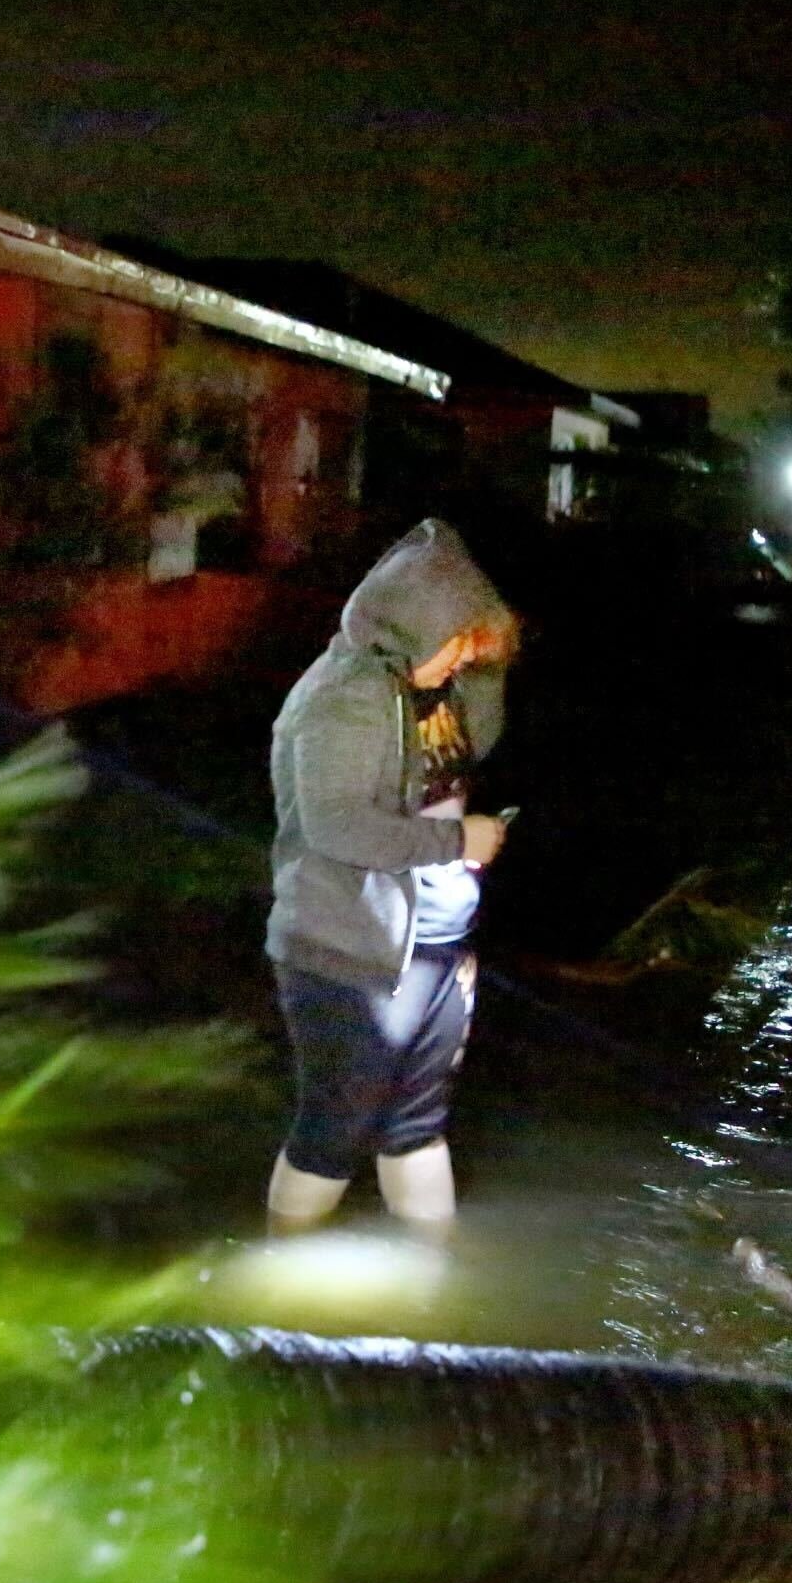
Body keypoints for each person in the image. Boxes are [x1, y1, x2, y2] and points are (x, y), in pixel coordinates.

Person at [264, 517, 519, 1234]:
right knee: (336, 1126)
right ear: (409, 627)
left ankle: (436, 1285)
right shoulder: (344, 700)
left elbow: (475, 744)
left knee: (416, 1122)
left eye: (473, 647)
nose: (460, 661)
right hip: (346, 949)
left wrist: (485, 665)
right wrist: (457, 838)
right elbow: (338, 827)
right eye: (455, 646)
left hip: (435, 946)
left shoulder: (432, 688)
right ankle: (276, 1278)